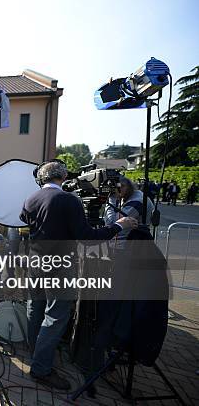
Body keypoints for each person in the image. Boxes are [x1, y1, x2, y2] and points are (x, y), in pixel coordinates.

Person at [19, 161, 137, 390]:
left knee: (35, 307)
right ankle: (41, 368)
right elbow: (87, 236)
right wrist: (119, 226)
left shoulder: (31, 198)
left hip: (35, 262)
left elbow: (25, 220)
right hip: (59, 266)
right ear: (62, 176)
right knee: (55, 316)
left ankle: (36, 352)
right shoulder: (68, 200)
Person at [105, 176, 154, 250]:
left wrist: (112, 199)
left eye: (121, 186)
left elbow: (111, 223)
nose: (117, 189)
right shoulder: (132, 196)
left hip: (127, 246)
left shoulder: (136, 201)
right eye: (115, 186)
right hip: (129, 243)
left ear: (128, 186)